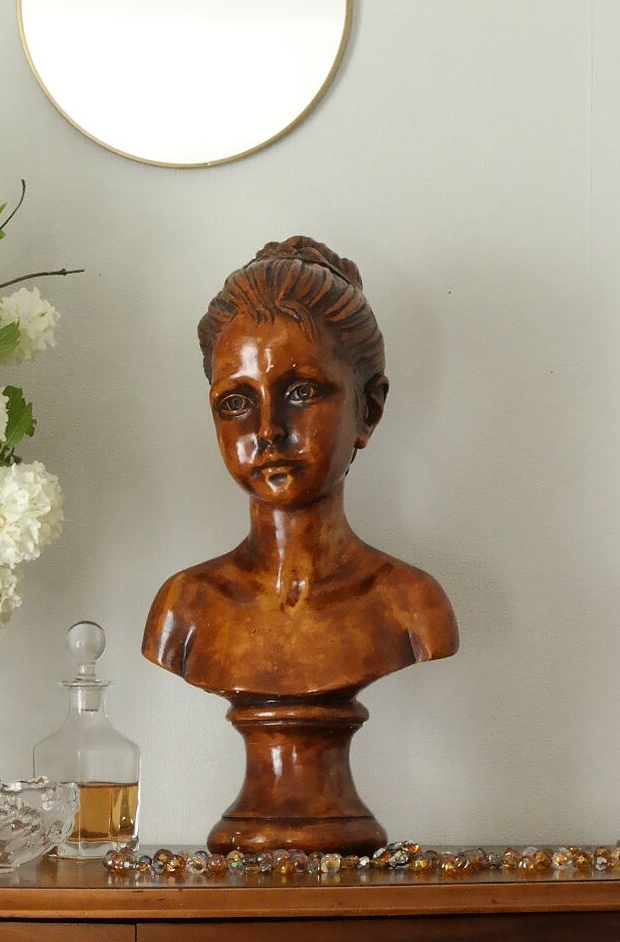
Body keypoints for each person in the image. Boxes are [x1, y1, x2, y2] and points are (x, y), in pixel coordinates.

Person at [143, 237, 458, 699]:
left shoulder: (411, 606)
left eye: (302, 393)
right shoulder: (185, 608)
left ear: (367, 410)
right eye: (236, 402)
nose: (268, 429)